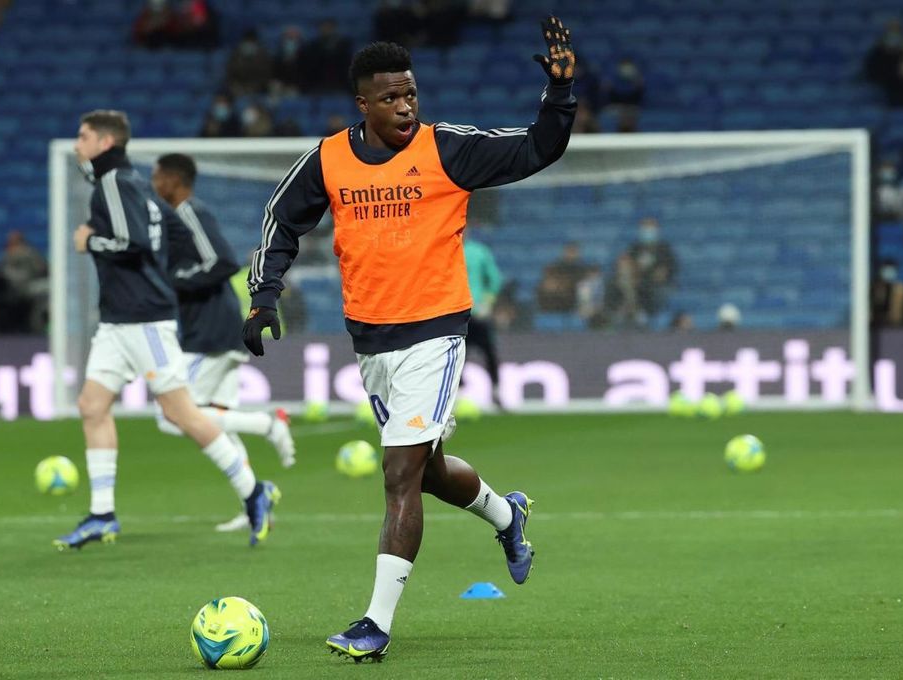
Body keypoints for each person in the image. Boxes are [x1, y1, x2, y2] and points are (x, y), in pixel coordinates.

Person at [241, 18, 577, 661]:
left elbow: (538, 147)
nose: (404, 107)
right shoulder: (329, 158)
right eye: (390, 97)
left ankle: (375, 624)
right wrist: (263, 295)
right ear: (362, 103)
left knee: (398, 472)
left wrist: (559, 94)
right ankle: (507, 515)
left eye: (411, 94)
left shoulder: (446, 148)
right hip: (371, 339)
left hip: (437, 331)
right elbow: (281, 219)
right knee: (425, 473)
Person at [55, 110, 279, 551]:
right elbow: (171, 233)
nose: (77, 144)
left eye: (83, 136)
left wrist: (89, 242)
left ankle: (255, 491)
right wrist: (160, 269)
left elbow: (132, 241)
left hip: (144, 320)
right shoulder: (137, 184)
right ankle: (102, 514)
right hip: (118, 320)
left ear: (104, 142)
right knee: (92, 405)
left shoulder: (113, 183)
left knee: (181, 413)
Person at [150, 152, 295, 532]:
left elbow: (222, 261)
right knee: (217, 423)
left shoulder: (189, 212)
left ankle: (266, 424)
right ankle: (254, 502)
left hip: (209, 331)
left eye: (157, 176)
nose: (154, 183)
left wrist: (173, 282)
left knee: (172, 416)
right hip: (215, 326)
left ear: (173, 180)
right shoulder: (180, 216)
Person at [463, 228, 503, 406]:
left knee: (489, 352)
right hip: (455, 314)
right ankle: (456, 396)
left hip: (476, 313)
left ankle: (496, 390)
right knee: (456, 357)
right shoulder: (443, 250)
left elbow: (495, 279)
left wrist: (487, 301)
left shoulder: (479, 251)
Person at [0, 230, 48, 334]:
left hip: (29, 291)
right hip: (11, 293)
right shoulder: (5, 257)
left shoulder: (31, 254)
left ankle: (38, 329)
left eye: (15, 241)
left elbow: (42, 270)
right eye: (11, 242)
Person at [625, 216, 677, 317]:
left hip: (660, 285)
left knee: (661, 293)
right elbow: (627, 265)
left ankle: (655, 316)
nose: (648, 231)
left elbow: (673, 267)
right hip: (639, 285)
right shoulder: (634, 248)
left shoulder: (664, 248)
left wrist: (665, 272)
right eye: (645, 228)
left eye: (651, 228)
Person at [535, 241, 586, 312]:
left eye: (574, 252)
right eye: (570, 251)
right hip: (553, 302)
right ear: (564, 252)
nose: (572, 255)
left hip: (573, 301)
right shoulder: (553, 268)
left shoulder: (582, 270)